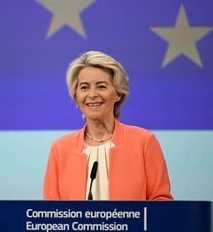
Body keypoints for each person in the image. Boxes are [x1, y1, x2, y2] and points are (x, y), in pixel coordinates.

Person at [43, 51, 173, 200]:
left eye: (101, 86)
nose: (92, 94)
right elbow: (50, 213)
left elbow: (162, 203)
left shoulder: (144, 142)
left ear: (118, 93)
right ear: (76, 96)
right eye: (84, 87)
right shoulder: (60, 149)